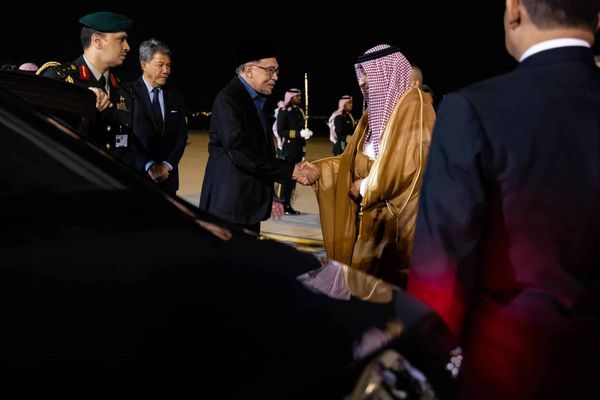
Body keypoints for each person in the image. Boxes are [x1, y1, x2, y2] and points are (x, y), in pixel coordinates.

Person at [407, 1, 600, 399]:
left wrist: (427, 366)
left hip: (511, 369)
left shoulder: (476, 109)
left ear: (514, 10)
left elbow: (441, 267)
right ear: (597, 19)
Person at [313, 44, 435, 287]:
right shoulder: (372, 116)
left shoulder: (417, 108)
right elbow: (353, 160)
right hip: (371, 223)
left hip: (395, 228)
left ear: (387, 73)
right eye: (360, 74)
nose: (362, 81)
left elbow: (408, 166)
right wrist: (318, 170)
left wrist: (366, 186)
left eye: (367, 73)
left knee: (387, 292)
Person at [199, 37, 318, 232]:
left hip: (248, 206)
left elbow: (262, 152)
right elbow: (241, 153)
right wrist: (291, 170)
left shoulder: (256, 101)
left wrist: (272, 195)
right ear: (249, 70)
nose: (275, 77)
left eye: (276, 71)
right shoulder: (229, 100)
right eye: (270, 70)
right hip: (229, 208)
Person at [38, 11, 135, 165]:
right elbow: (40, 135)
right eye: (121, 40)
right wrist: (81, 98)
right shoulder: (61, 80)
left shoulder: (123, 92)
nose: (127, 47)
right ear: (97, 41)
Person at [128, 39, 188, 195]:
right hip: (138, 178)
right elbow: (128, 136)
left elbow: (181, 136)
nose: (166, 70)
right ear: (144, 65)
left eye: (168, 65)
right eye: (160, 65)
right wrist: (149, 165)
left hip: (168, 180)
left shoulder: (175, 95)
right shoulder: (128, 93)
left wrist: (167, 165)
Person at [275, 88, 313, 215]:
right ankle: (283, 204)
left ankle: (287, 204)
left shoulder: (299, 111)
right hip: (288, 149)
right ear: (290, 98)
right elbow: (281, 130)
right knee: (286, 179)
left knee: (293, 179)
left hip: (297, 150)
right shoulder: (284, 111)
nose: (300, 98)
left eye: (300, 96)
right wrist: (298, 134)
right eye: (297, 96)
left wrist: (303, 152)